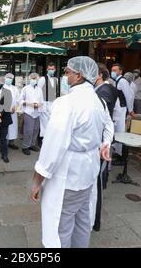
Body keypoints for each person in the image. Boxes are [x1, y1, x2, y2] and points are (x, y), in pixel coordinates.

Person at [30, 56, 114, 248]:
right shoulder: (97, 100)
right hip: (89, 171)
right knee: (83, 221)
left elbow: (53, 147)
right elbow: (109, 125)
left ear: (79, 75)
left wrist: (37, 181)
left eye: (67, 72)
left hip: (70, 174)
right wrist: (105, 143)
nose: (64, 75)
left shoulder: (66, 103)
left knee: (62, 226)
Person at [93, 63, 118, 231]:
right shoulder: (104, 88)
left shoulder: (104, 91)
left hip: (101, 141)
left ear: (100, 75)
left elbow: (104, 118)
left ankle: (95, 221)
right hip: (102, 140)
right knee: (98, 180)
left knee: (96, 183)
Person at [110, 63, 134, 163]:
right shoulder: (115, 81)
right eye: (112, 70)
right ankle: (116, 152)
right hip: (116, 110)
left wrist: (131, 109)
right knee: (116, 131)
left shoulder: (123, 81)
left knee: (120, 131)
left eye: (115, 70)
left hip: (121, 109)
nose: (113, 72)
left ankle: (121, 156)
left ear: (120, 71)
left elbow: (129, 96)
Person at [20, 73, 43, 156]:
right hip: (28, 112)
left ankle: (32, 144)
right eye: (32, 78)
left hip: (37, 112)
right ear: (29, 79)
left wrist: (39, 105)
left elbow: (41, 100)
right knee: (28, 130)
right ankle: (25, 146)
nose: (34, 80)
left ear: (37, 80)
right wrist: (30, 104)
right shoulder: (25, 89)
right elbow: (21, 100)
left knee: (36, 129)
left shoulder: (39, 89)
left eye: (35, 78)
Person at [38, 62, 59, 147]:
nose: (51, 70)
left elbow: (57, 92)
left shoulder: (56, 80)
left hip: (53, 103)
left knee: (51, 122)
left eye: (52, 69)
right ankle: (41, 141)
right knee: (43, 123)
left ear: (55, 69)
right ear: (47, 69)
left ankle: (49, 140)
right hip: (44, 102)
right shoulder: (42, 79)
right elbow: (38, 91)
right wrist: (40, 103)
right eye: (49, 69)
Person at [4, 73, 20, 150]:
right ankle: (3, 143)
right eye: (8, 77)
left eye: (11, 78)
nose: (9, 79)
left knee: (13, 127)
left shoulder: (15, 88)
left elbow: (18, 99)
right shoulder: (2, 87)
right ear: (5, 78)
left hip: (13, 111)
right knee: (4, 128)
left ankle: (11, 143)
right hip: (4, 112)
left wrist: (14, 108)